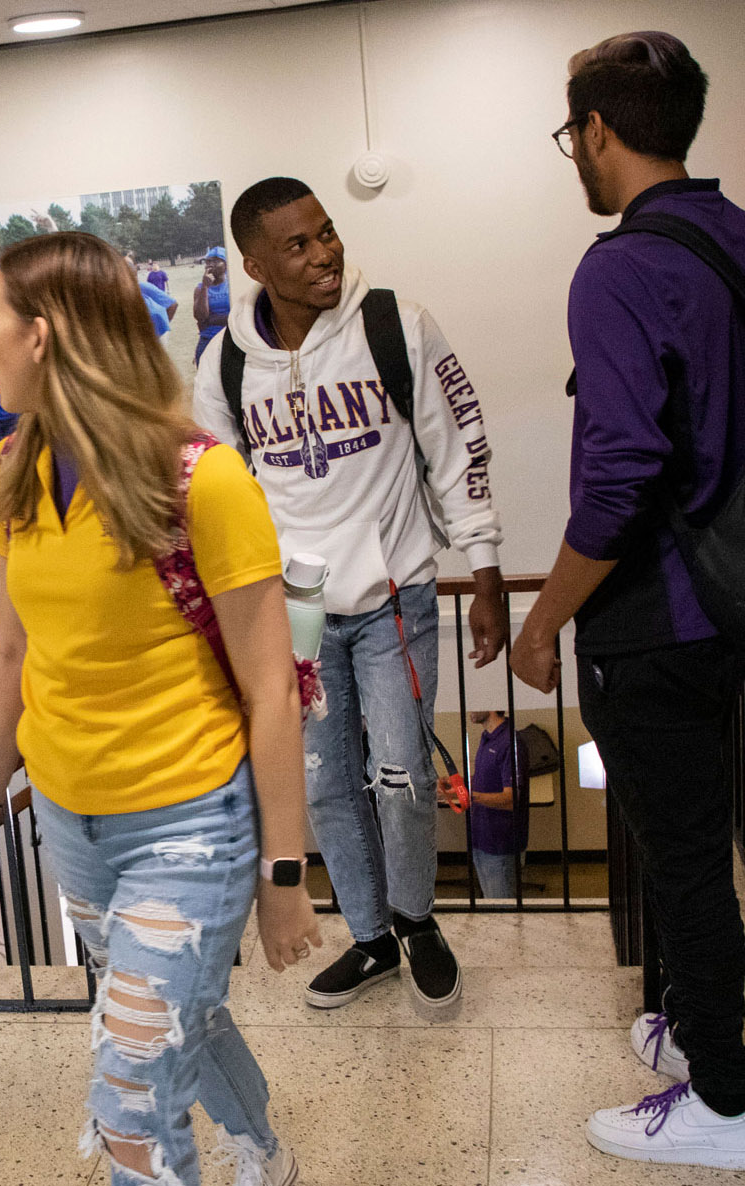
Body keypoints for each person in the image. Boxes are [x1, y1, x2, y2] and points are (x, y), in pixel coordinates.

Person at [0, 230, 316, 1186]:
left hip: (191, 823)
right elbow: (14, 652)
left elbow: (271, 687)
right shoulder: (11, 471)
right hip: (74, 826)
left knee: (130, 1102)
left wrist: (284, 872)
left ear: (46, 334)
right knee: (182, 1019)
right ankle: (266, 1147)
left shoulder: (205, 479)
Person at [508, 31, 745, 1171]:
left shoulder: (618, 268)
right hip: (735, 596)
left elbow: (619, 473)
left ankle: (723, 1104)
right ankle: (691, 1031)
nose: (575, 152)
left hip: (653, 615)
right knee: (688, 838)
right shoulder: (740, 239)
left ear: (601, 133)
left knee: (680, 859)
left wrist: (543, 617)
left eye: (576, 132)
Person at [192, 176, 506, 1018]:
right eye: (298, 245)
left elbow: (455, 443)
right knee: (325, 784)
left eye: (327, 233)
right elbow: (215, 491)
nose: (326, 252)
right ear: (256, 264)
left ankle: (417, 922)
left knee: (401, 775)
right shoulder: (225, 364)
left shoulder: (393, 326)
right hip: (293, 609)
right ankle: (370, 939)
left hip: (394, 588)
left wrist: (482, 568)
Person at [464, 712, 529, 899]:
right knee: (492, 906)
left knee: (503, 912)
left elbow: (511, 800)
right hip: (482, 840)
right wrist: (457, 785)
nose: (470, 710)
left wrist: (471, 797)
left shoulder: (510, 743)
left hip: (501, 845)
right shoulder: (487, 738)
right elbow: (483, 780)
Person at [191, 248, 230, 361]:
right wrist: (205, 287)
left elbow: (236, 316)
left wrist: (212, 320)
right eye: (208, 262)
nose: (210, 265)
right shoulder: (200, 289)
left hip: (230, 339)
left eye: (216, 261)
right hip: (208, 339)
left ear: (226, 264)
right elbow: (200, 316)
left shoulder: (232, 285)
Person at [126, 251, 178, 336]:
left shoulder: (143, 287)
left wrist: (163, 326)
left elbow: (173, 304)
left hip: (155, 334)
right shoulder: (150, 275)